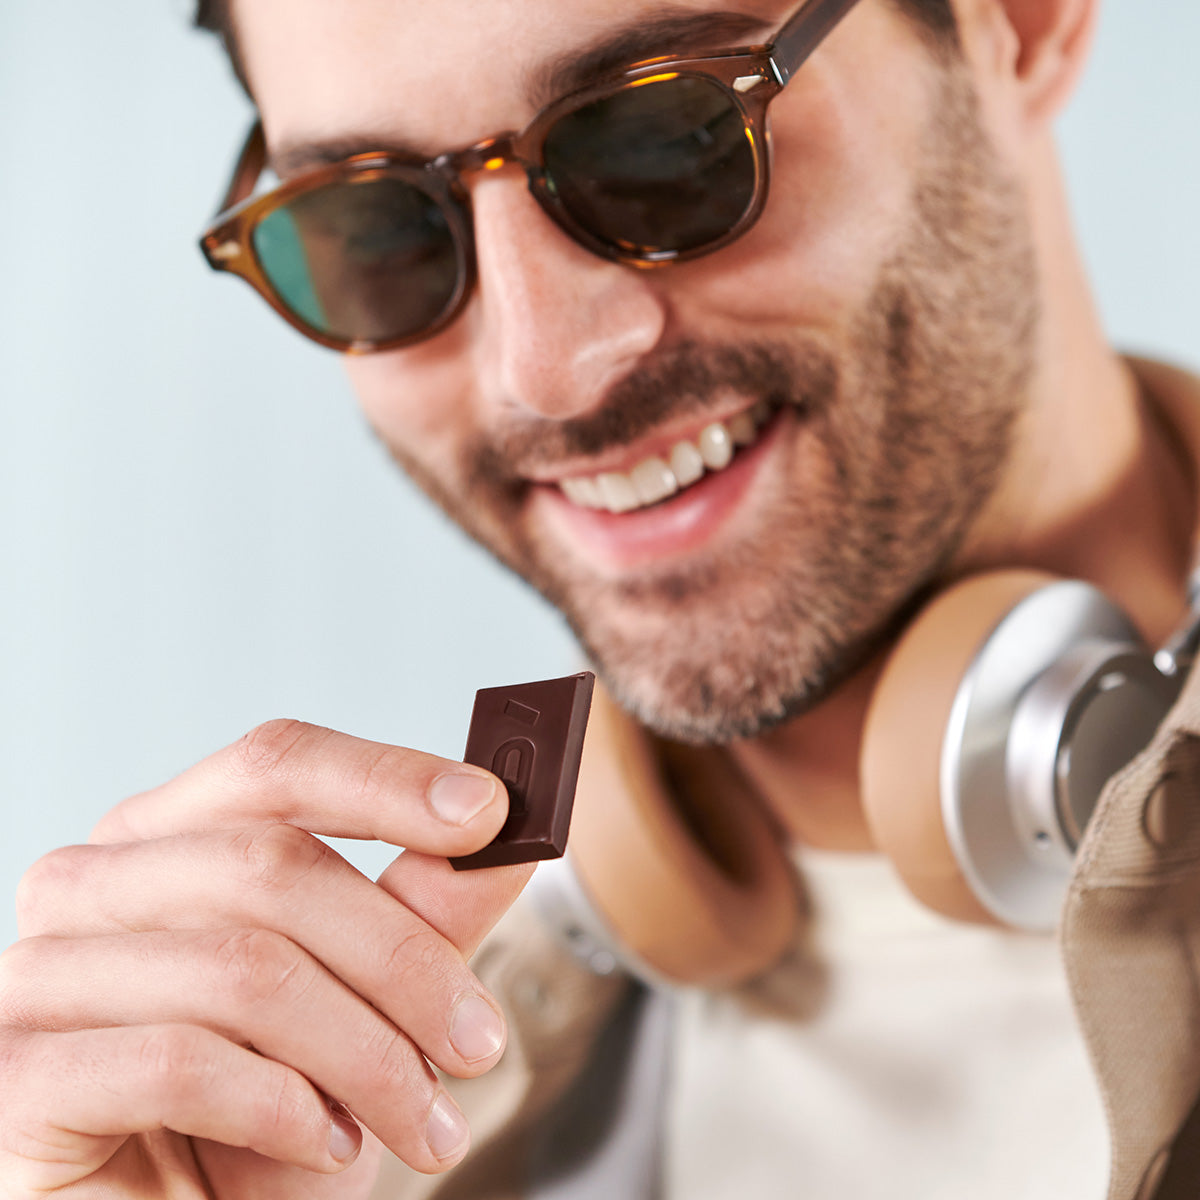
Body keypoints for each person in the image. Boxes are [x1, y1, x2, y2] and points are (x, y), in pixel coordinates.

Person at [3, 0, 1200, 1197]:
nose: (543, 372)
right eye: (378, 223)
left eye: (662, 140)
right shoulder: (358, 1135)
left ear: (1022, 26)